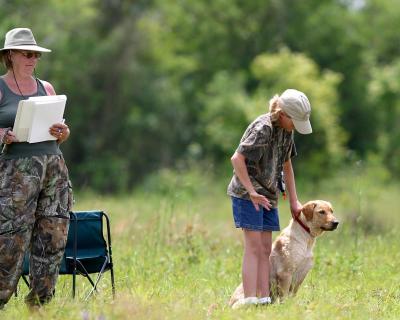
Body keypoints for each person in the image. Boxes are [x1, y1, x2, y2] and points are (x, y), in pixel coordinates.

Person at [0, 27, 72, 308]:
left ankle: (40, 306)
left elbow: (60, 132)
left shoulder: (47, 87)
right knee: (10, 241)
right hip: (16, 174)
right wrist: (3, 134)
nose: (33, 59)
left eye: (36, 55)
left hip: (53, 169)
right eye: (27, 54)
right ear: (10, 56)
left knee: (52, 238)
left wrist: (62, 132)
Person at [227, 89, 312, 309]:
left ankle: (263, 299)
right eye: (294, 121)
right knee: (254, 247)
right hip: (248, 195)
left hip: (268, 195)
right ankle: (249, 299)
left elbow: (287, 166)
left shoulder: (286, 131)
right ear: (282, 114)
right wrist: (252, 192)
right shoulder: (263, 128)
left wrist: (294, 201)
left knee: (266, 249)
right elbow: (237, 159)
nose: (295, 127)